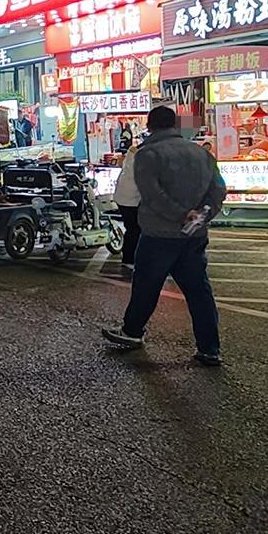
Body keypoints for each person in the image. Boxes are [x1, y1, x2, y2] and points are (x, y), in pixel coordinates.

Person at [102, 106, 227, 366]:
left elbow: (152, 195)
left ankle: (132, 331)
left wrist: (182, 215)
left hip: (159, 235)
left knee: (146, 287)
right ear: (175, 125)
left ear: (149, 126)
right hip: (193, 236)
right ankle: (209, 348)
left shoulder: (148, 154)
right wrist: (199, 217)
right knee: (199, 291)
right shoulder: (201, 154)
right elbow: (218, 191)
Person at [114, 144, 142, 274]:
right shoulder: (139, 161)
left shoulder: (130, 158)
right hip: (131, 200)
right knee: (134, 230)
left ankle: (129, 258)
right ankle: (129, 259)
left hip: (123, 199)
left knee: (132, 229)